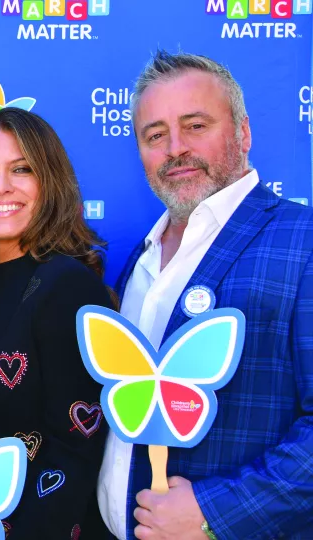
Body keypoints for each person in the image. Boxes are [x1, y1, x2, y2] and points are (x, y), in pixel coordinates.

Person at [97, 51, 313, 540]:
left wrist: (213, 513)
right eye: (155, 135)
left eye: (195, 125)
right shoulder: (142, 258)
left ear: (243, 133)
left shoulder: (303, 242)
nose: (175, 148)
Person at [0, 108, 113, 539]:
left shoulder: (67, 287)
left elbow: (74, 453)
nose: (0, 187)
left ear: (50, 181)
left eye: (21, 169)